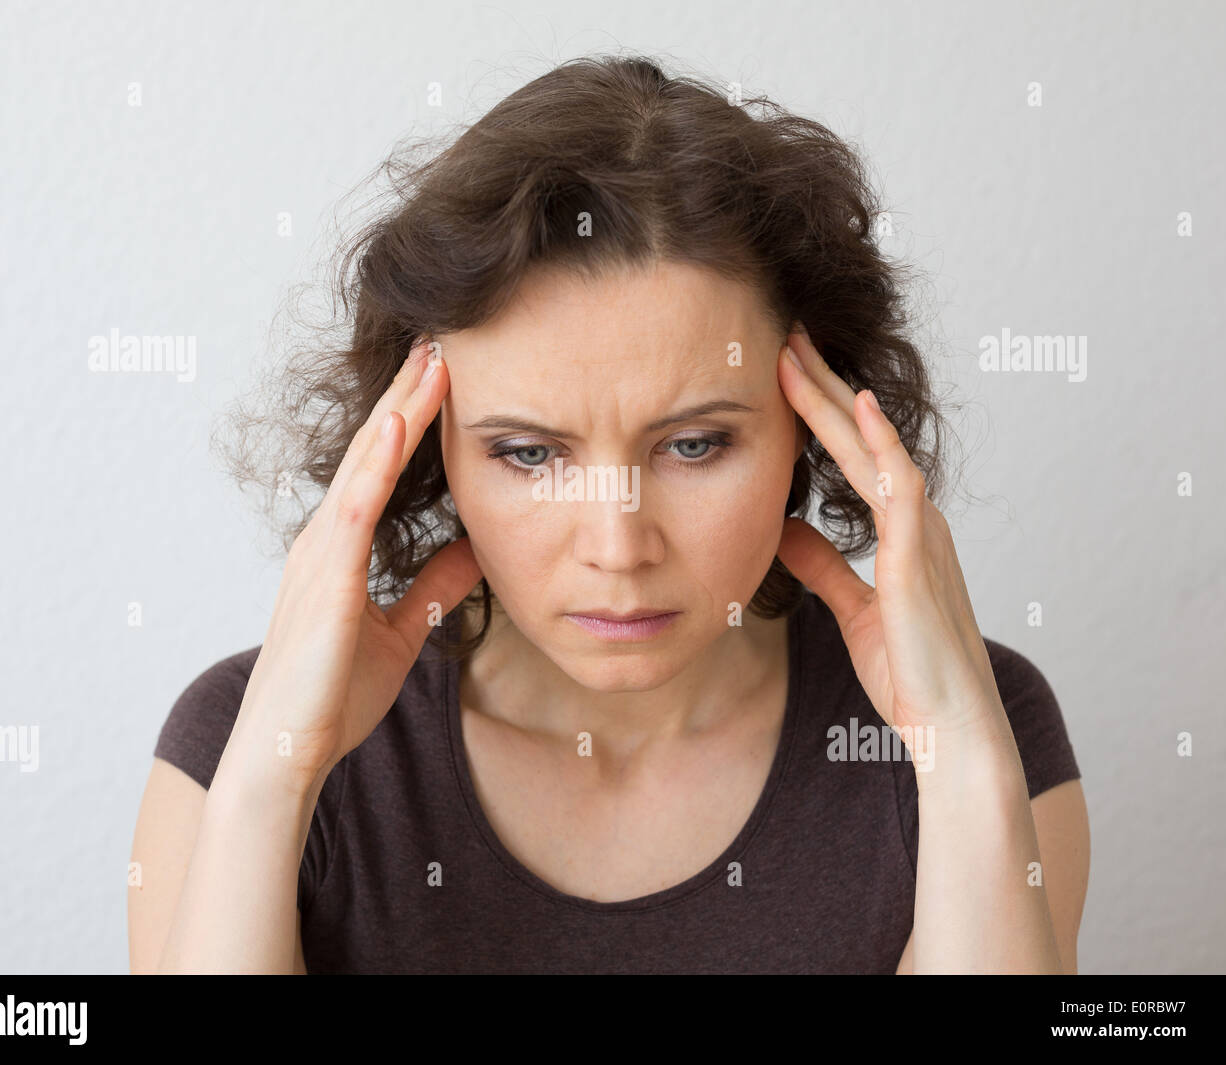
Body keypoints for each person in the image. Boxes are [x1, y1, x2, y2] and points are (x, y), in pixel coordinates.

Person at [128, 54, 1088, 974]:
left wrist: (962, 764)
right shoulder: (239, 743)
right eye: (531, 454)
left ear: (817, 425)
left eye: (695, 444)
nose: (619, 546)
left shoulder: (975, 732)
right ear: (426, 447)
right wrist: (270, 784)